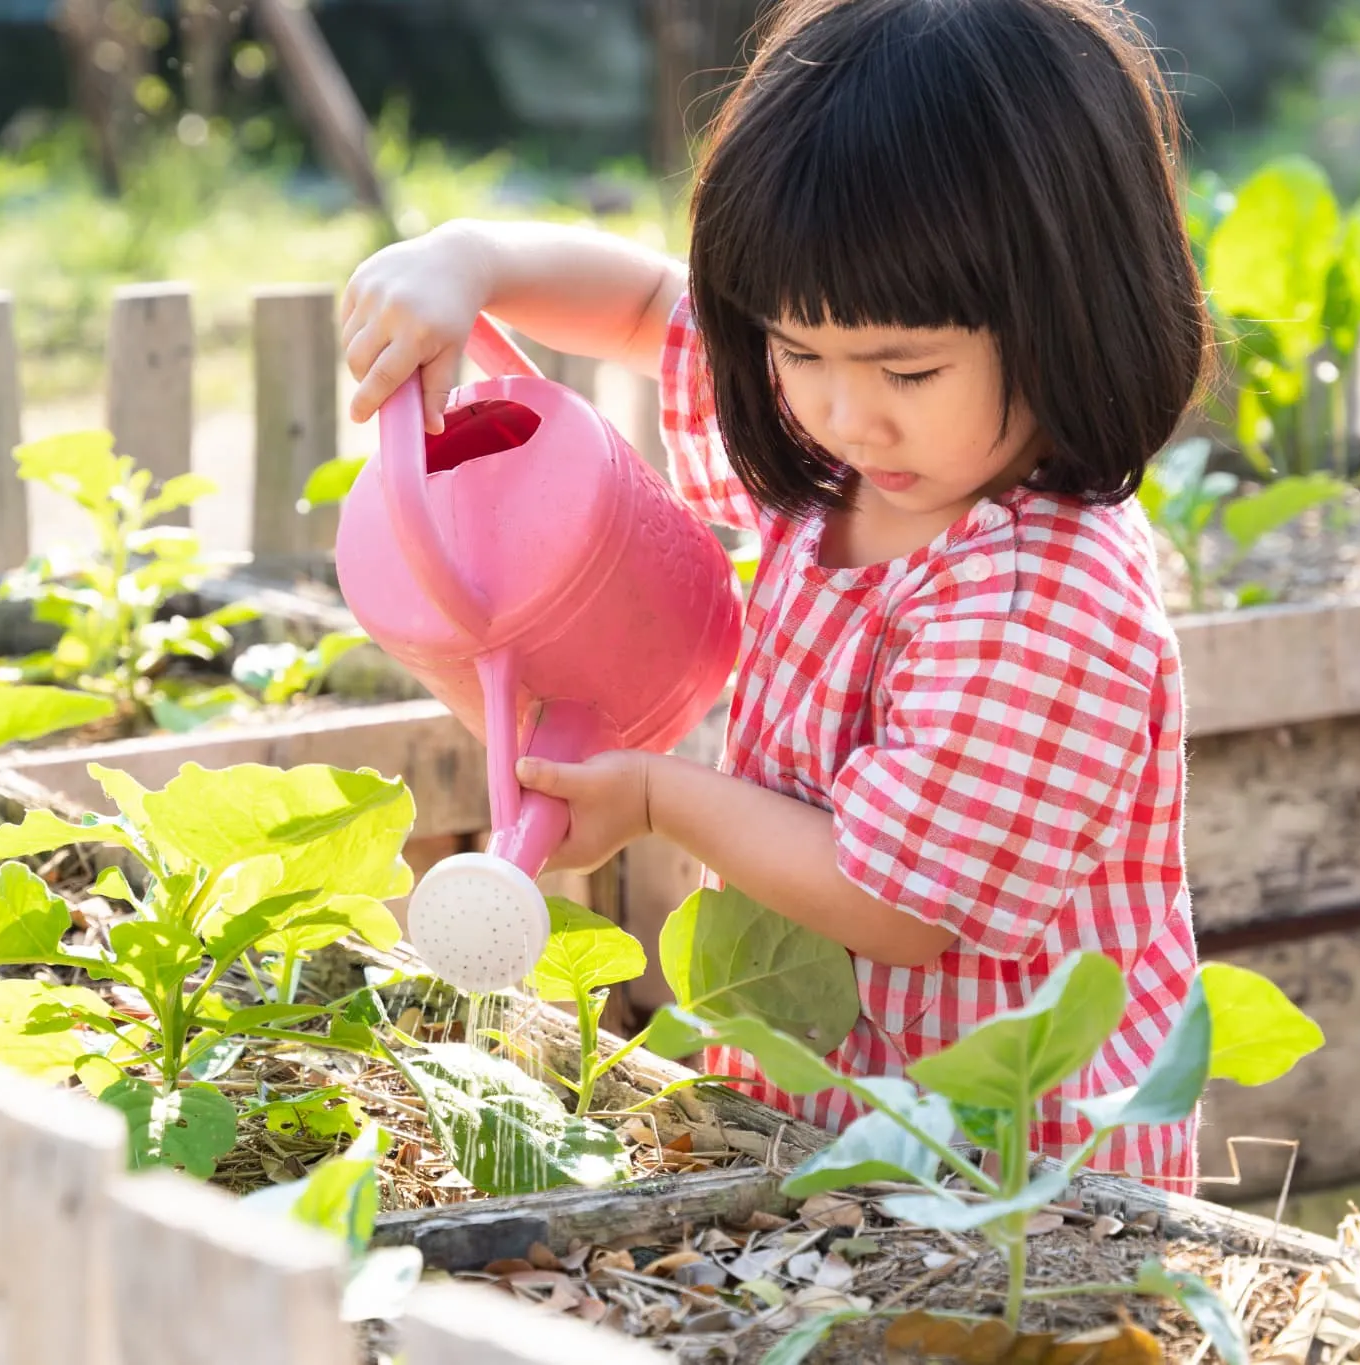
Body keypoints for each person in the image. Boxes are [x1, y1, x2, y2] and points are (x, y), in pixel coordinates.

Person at [336, 0, 1207, 1189]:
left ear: (1071, 314)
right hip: (829, 1113)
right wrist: (468, 261)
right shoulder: (844, 472)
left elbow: (894, 902)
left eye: (905, 368)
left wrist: (656, 796)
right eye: (796, 351)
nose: (843, 411)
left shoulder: (1040, 602)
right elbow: (652, 309)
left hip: (1008, 1176)